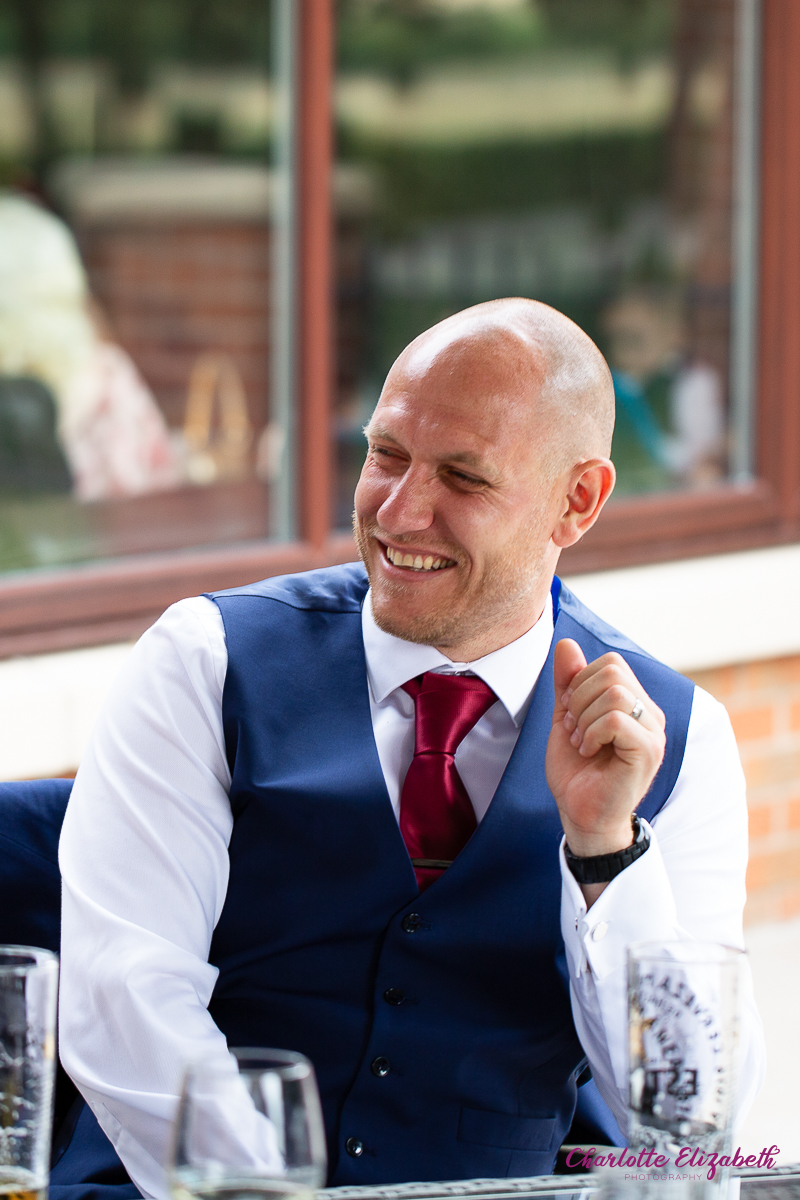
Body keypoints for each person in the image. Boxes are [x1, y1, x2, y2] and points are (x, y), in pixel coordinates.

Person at [58, 298, 764, 1199]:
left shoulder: (680, 741)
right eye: (385, 454)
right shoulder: (203, 661)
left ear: (576, 502)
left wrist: (607, 848)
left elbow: (695, 1121)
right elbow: (127, 1001)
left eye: (463, 478)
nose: (398, 511)